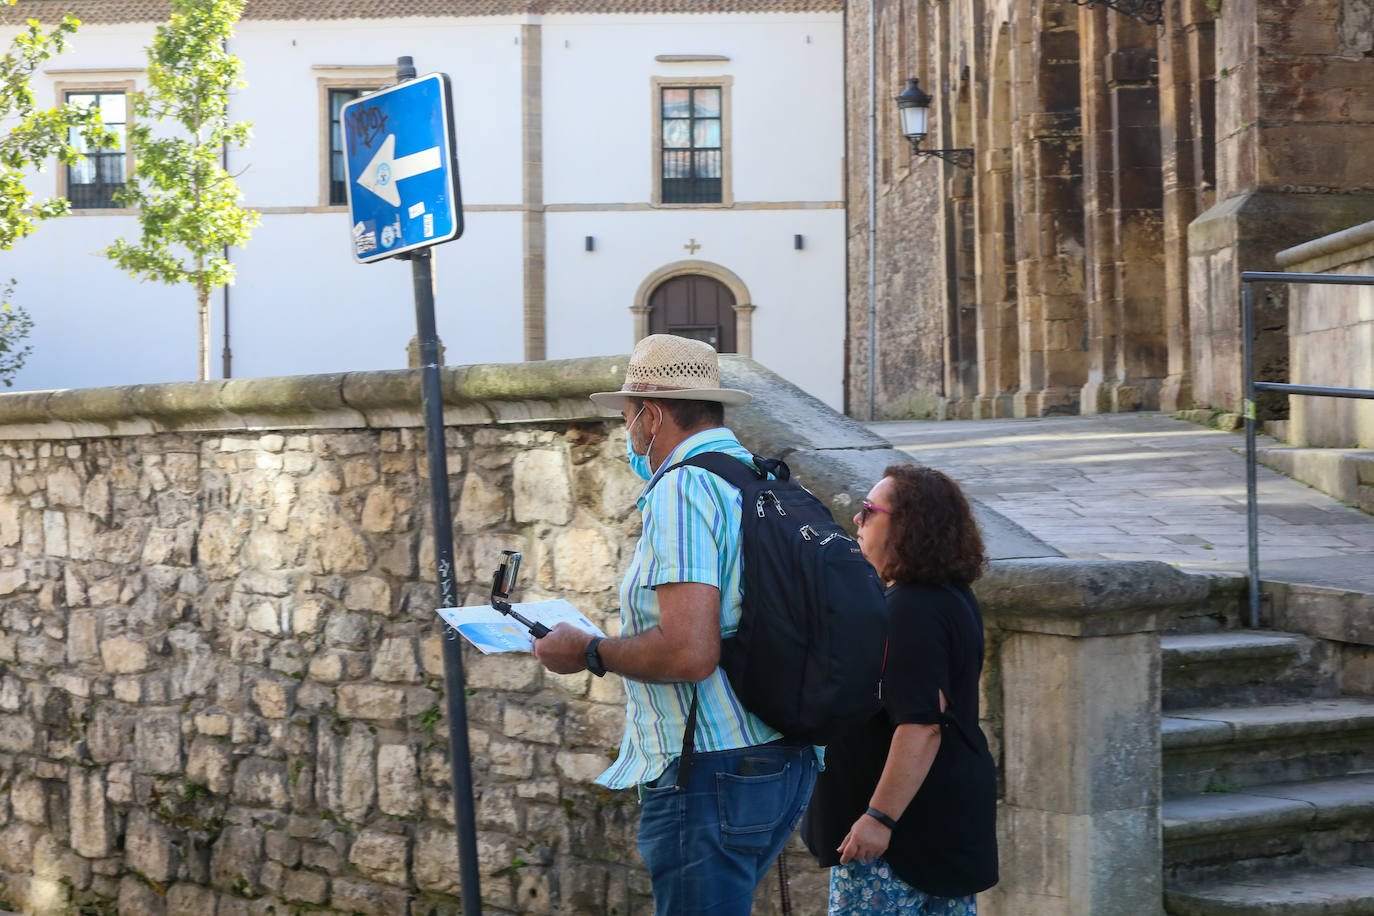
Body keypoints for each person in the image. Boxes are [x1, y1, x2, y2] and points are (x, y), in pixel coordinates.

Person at [532, 334, 818, 914]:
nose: (627, 433)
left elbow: (689, 653)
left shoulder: (684, 488)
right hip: (782, 758)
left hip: (711, 770)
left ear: (653, 415)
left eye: (628, 416)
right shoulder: (765, 479)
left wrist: (588, 651)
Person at [803, 464, 998, 915]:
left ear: (907, 525)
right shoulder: (948, 596)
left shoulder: (910, 609)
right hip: (936, 822)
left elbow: (922, 723)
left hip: (898, 840)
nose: (857, 519)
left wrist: (879, 817)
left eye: (870, 510)